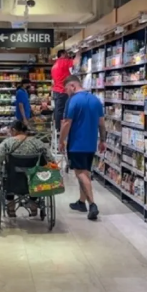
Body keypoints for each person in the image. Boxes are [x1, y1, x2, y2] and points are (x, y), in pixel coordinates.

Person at [59, 75, 105, 221]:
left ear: (73, 86)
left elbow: (67, 123)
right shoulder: (95, 100)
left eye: (67, 89)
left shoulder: (73, 101)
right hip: (91, 144)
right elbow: (102, 123)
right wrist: (103, 140)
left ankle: (92, 204)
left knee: (80, 173)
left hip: (77, 144)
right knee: (86, 172)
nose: (66, 92)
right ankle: (81, 202)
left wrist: (61, 141)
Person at [0, 120, 54, 217]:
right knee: (38, 174)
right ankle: (33, 202)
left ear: (14, 130)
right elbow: (51, 161)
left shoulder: (7, 143)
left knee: (6, 175)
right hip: (35, 182)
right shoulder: (38, 143)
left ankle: (11, 205)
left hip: (13, 182)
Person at [51, 50, 73, 131]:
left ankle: (58, 128)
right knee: (63, 110)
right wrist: (79, 52)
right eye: (66, 53)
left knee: (58, 110)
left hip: (56, 91)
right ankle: (60, 129)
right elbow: (76, 61)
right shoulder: (63, 62)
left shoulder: (54, 65)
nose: (67, 55)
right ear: (62, 54)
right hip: (62, 91)